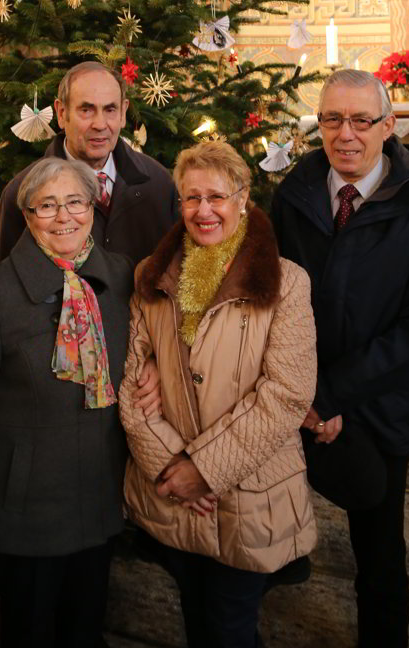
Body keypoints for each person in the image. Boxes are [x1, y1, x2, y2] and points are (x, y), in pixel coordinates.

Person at [270, 68, 409, 648]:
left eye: (360, 120)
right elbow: (273, 300)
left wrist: (334, 395)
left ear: (388, 125)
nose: (345, 134)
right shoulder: (295, 193)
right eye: (332, 119)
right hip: (297, 401)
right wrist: (307, 395)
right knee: (267, 529)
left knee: (380, 558)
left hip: (379, 406)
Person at [119, 142, 317, 648]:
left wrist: (204, 471)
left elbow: (287, 395)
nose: (203, 210)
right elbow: (130, 385)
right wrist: (171, 466)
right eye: (191, 197)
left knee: (230, 629)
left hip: (249, 497)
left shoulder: (287, 283)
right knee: (195, 619)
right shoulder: (151, 275)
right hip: (173, 498)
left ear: (243, 198)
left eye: (216, 197)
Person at [0, 157, 145, 648]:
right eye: (47, 206)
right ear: (27, 215)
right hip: (28, 506)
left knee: (84, 629)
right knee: (29, 632)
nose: (64, 217)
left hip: (99, 493)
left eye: (75, 202)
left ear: (93, 208)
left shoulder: (121, 276)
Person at [0, 61, 178, 269]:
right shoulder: (22, 194)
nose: (100, 124)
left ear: (123, 113)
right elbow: (2, 284)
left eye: (110, 109)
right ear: (62, 113)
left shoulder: (159, 185)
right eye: (86, 110)